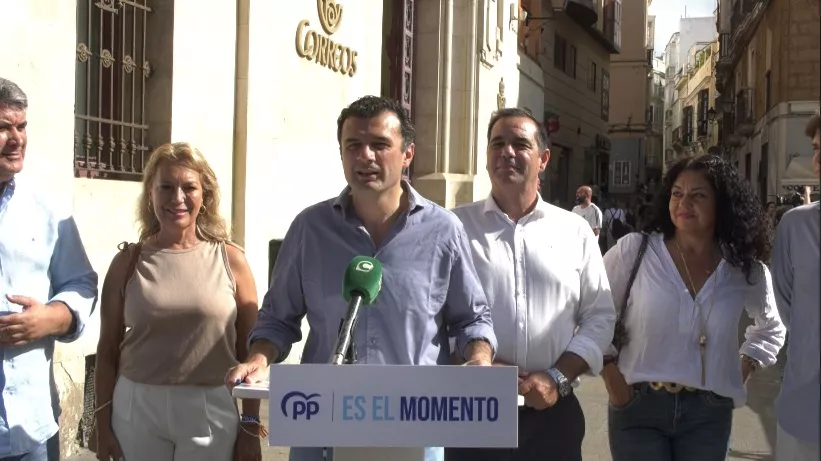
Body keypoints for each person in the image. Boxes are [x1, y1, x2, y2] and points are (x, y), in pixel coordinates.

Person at [225, 96, 496, 461]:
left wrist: (478, 358)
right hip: (322, 418)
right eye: (353, 146)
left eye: (380, 145)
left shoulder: (443, 231)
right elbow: (277, 318)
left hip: (413, 421)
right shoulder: (310, 229)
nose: (365, 156)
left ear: (407, 154)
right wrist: (259, 357)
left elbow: (472, 318)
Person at [447, 108, 615, 461]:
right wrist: (475, 364)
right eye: (497, 144)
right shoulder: (454, 228)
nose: (507, 152)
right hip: (473, 411)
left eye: (520, 144)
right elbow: (433, 314)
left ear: (544, 159)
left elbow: (600, 318)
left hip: (554, 414)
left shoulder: (575, 232)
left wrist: (557, 377)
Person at [601, 154, 785, 461]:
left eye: (698, 195)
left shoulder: (743, 269)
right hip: (637, 407)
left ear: (722, 205)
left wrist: (742, 368)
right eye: (677, 193)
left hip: (709, 414)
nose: (684, 203)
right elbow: (593, 311)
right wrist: (612, 379)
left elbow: (771, 326)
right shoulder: (636, 251)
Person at [94, 143, 262, 461]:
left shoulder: (231, 260)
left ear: (205, 195)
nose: (178, 198)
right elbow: (107, 352)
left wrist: (251, 426)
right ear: (150, 195)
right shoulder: (127, 262)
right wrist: (103, 427)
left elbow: (249, 352)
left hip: (211, 408)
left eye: (189, 187)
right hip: (137, 408)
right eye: (166, 188)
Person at [0, 78, 98, 461]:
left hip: (31, 428)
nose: (16, 139)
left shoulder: (47, 210)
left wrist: (53, 318)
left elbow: (81, 282)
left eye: (21, 127)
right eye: (3, 128)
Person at [771, 112, 820, 461]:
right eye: (816, 148)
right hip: (803, 410)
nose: (817, 159)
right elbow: (787, 306)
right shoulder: (795, 226)